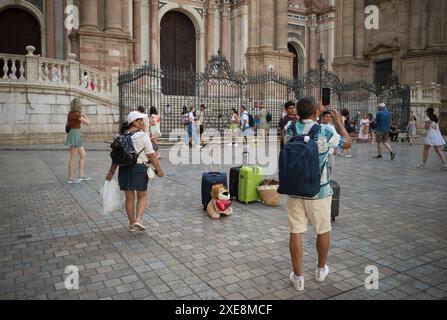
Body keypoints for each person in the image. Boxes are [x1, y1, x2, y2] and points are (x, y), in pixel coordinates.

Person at [284, 97, 352, 291]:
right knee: (323, 230)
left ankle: (298, 278)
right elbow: (347, 144)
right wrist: (339, 122)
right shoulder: (325, 130)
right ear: (316, 114)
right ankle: (321, 270)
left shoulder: (289, 128)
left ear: (297, 112)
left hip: (295, 189)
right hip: (319, 190)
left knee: (296, 231)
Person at [106, 111, 164, 233]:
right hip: (139, 169)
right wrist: (159, 170)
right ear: (134, 122)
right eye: (140, 120)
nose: (143, 122)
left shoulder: (122, 136)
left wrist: (111, 172)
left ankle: (132, 225)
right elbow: (152, 156)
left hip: (124, 169)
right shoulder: (143, 136)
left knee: (129, 198)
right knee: (142, 195)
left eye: (142, 120)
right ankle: (138, 219)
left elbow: (117, 157)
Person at [65, 98, 91, 184]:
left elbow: (73, 125)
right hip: (75, 136)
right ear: (79, 105)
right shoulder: (76, 114)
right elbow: (88, 123)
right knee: (73, 157)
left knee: (83, 155)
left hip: (75, 134)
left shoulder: (71, 114)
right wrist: (84, 115)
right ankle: (70, 178)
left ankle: (81, 175)